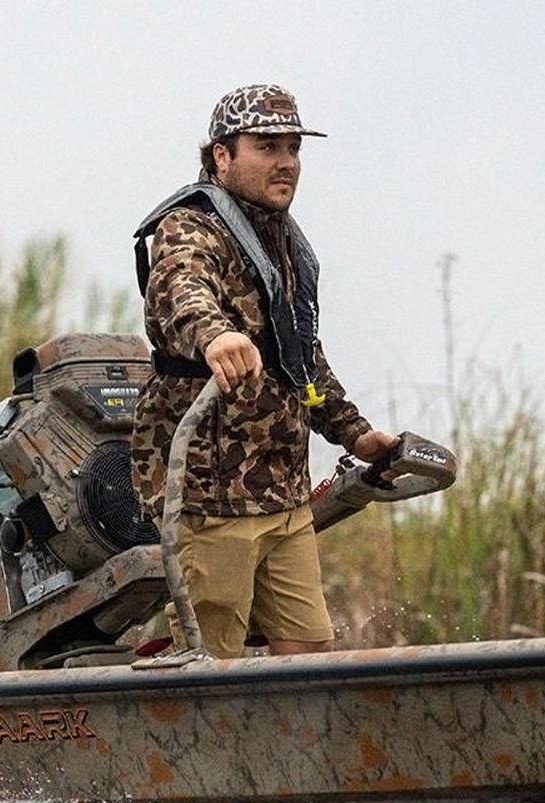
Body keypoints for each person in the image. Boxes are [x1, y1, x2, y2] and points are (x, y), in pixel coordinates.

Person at [130, 83, 398, 660]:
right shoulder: (191, 227)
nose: (286, 162)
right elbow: (181, 288)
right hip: (211, 496)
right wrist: (215, 334)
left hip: (281, 494)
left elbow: (300, 355)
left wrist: (356, 435)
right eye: (266, 146)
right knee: (211, 667)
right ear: (222, 155)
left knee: (311, 659)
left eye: (293, 149)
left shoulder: (280, 242)